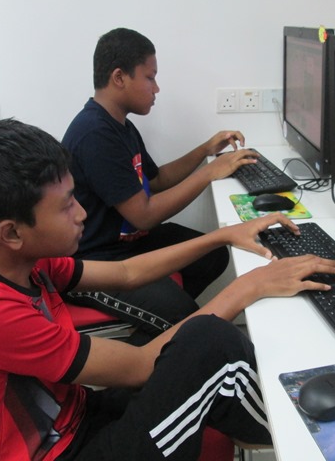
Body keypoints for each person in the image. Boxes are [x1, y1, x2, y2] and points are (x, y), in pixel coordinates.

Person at [0, 117, 335, 461]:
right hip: (63, 452)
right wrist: (250, 285)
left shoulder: (26, 261)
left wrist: (222, 236)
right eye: (66, 206)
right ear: (11, 233)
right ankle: (309, 439)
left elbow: (127, 273)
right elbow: (140, 364)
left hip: (80, 417)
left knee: (205, 360)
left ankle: (287, 422)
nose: (81, 213)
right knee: (211, 344)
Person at [62, 27, 260, 342]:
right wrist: (209, 173)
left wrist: (205, 151)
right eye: (150, 77)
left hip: (125, 245)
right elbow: (144, 215)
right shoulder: (95, 134)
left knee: (212, 255)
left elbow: (156, 180)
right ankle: (161, 337)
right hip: (94, 262)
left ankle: (157, 328)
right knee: (183, 317)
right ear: (119, 77)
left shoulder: (120, 125)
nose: (156, 88)